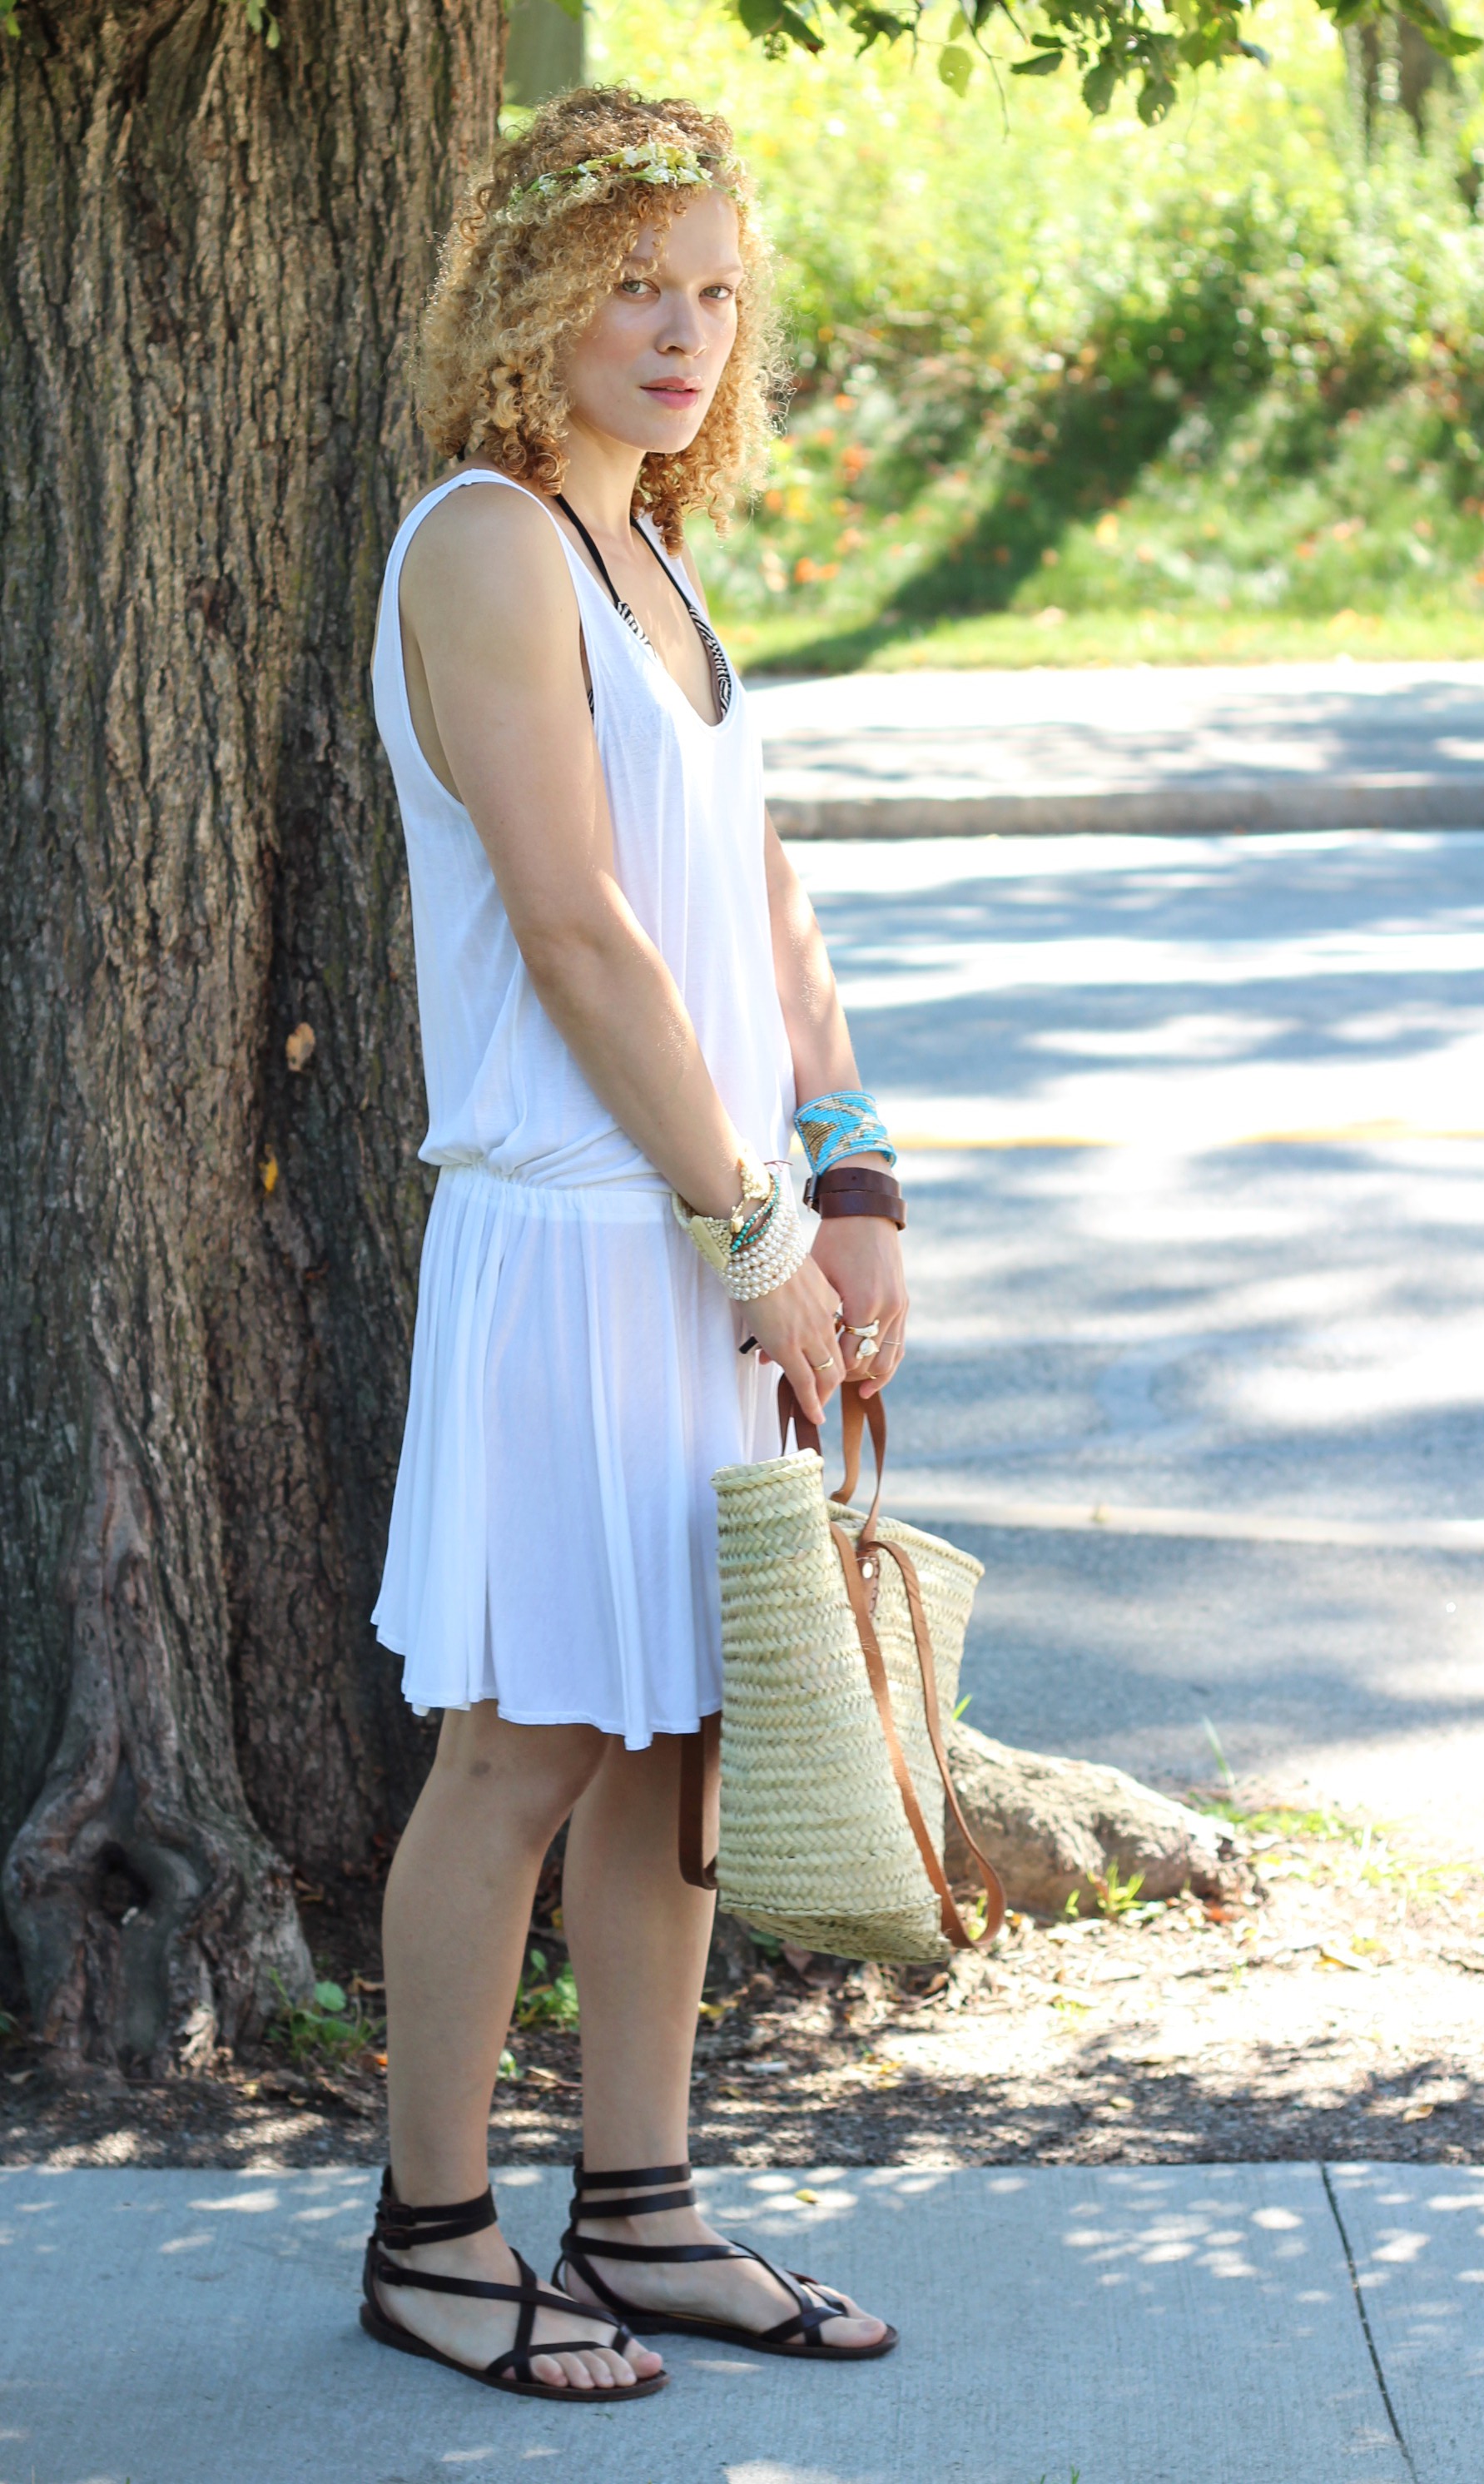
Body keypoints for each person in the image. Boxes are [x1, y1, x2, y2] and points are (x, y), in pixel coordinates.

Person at [362, 85, 909, 2404]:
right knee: (527, 1746)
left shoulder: (657, 558)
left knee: (683, 1746)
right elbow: (580, 934)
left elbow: (758, 907)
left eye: (715, 295)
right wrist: (752, 1226)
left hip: (718, 1233)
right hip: (588, 1241)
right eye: (634, 287)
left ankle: (646, 2208)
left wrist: (854, 1181)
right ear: (532, 298)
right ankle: (432, 2240)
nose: (684, 334)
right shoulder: (488, 544)